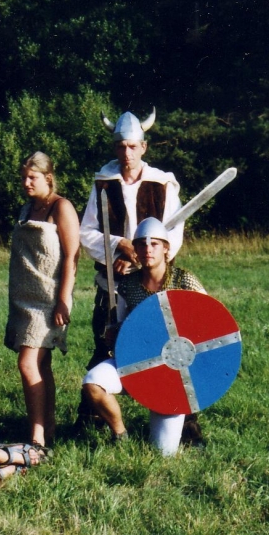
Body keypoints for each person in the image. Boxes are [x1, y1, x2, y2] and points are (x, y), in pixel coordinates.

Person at [80, 217, 205, 456]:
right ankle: (120, 435)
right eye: (142, 244)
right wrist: (115, 333)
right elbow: (121, 328)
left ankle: (184, 427)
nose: (148, 249)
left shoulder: (184, 280)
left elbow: (210, 320)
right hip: (137, 363)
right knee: (93, 383)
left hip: (173, 370)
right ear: (135, 251)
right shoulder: (128, 286)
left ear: (166, 248)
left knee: (164, 453)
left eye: (154, 244)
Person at [78, 108, 183, 367]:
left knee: (158, 347)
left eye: (133, 146)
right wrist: (119, 245)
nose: (127, 153)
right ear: (115, 148)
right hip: (113, 281)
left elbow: (174, 234)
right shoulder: (103, 183)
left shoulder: (162, 184)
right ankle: (100, 391)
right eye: (122, 146)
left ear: (143, 147)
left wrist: (138, 260)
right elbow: (86, 232)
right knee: (108, 344)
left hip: (152, 281)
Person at [5, 152, 80, 448]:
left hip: (49, 302)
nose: (26, 182)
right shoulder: (27, 208)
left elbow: (72, 256)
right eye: (23, 177)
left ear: (48, 178)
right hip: (23, 299)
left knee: (27, 364)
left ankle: (36, 438)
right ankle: (48, 428)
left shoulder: (61, 207)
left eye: (32, 177)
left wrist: (63, 300)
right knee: (41, 364)